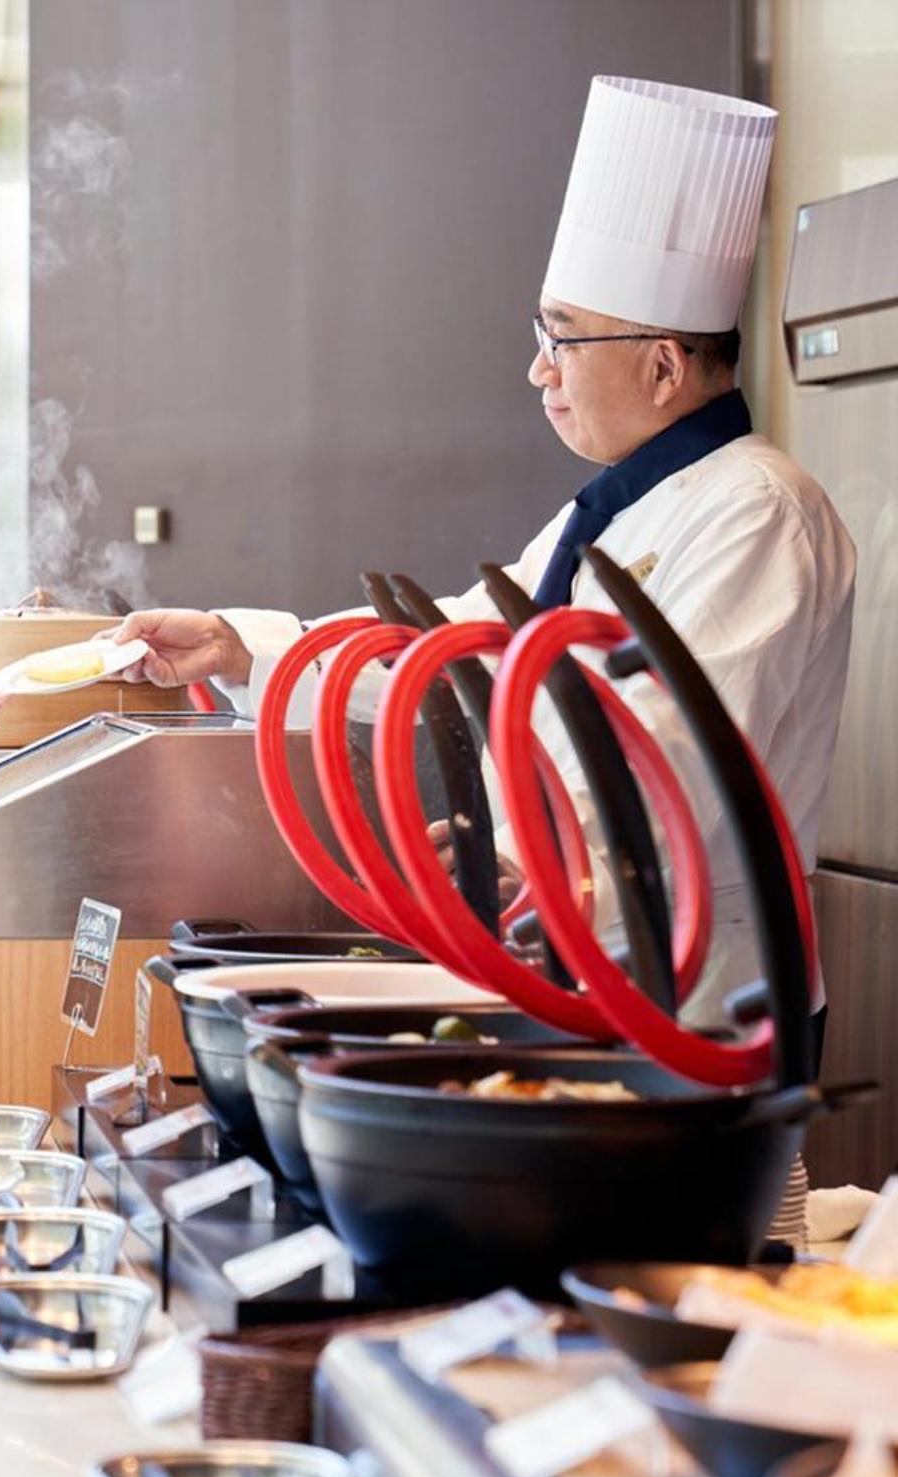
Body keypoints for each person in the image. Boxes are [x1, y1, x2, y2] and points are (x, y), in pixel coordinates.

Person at [112, 77, 856, 1028]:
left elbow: (669, 748)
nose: (538, 367)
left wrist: (520, 857)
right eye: (540, 332)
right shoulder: (624, 507)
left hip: (697, 1008)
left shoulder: (760, 512)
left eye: (564, 338)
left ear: (665, 365)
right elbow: (463, 646)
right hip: (573, 965)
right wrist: (242, 644)